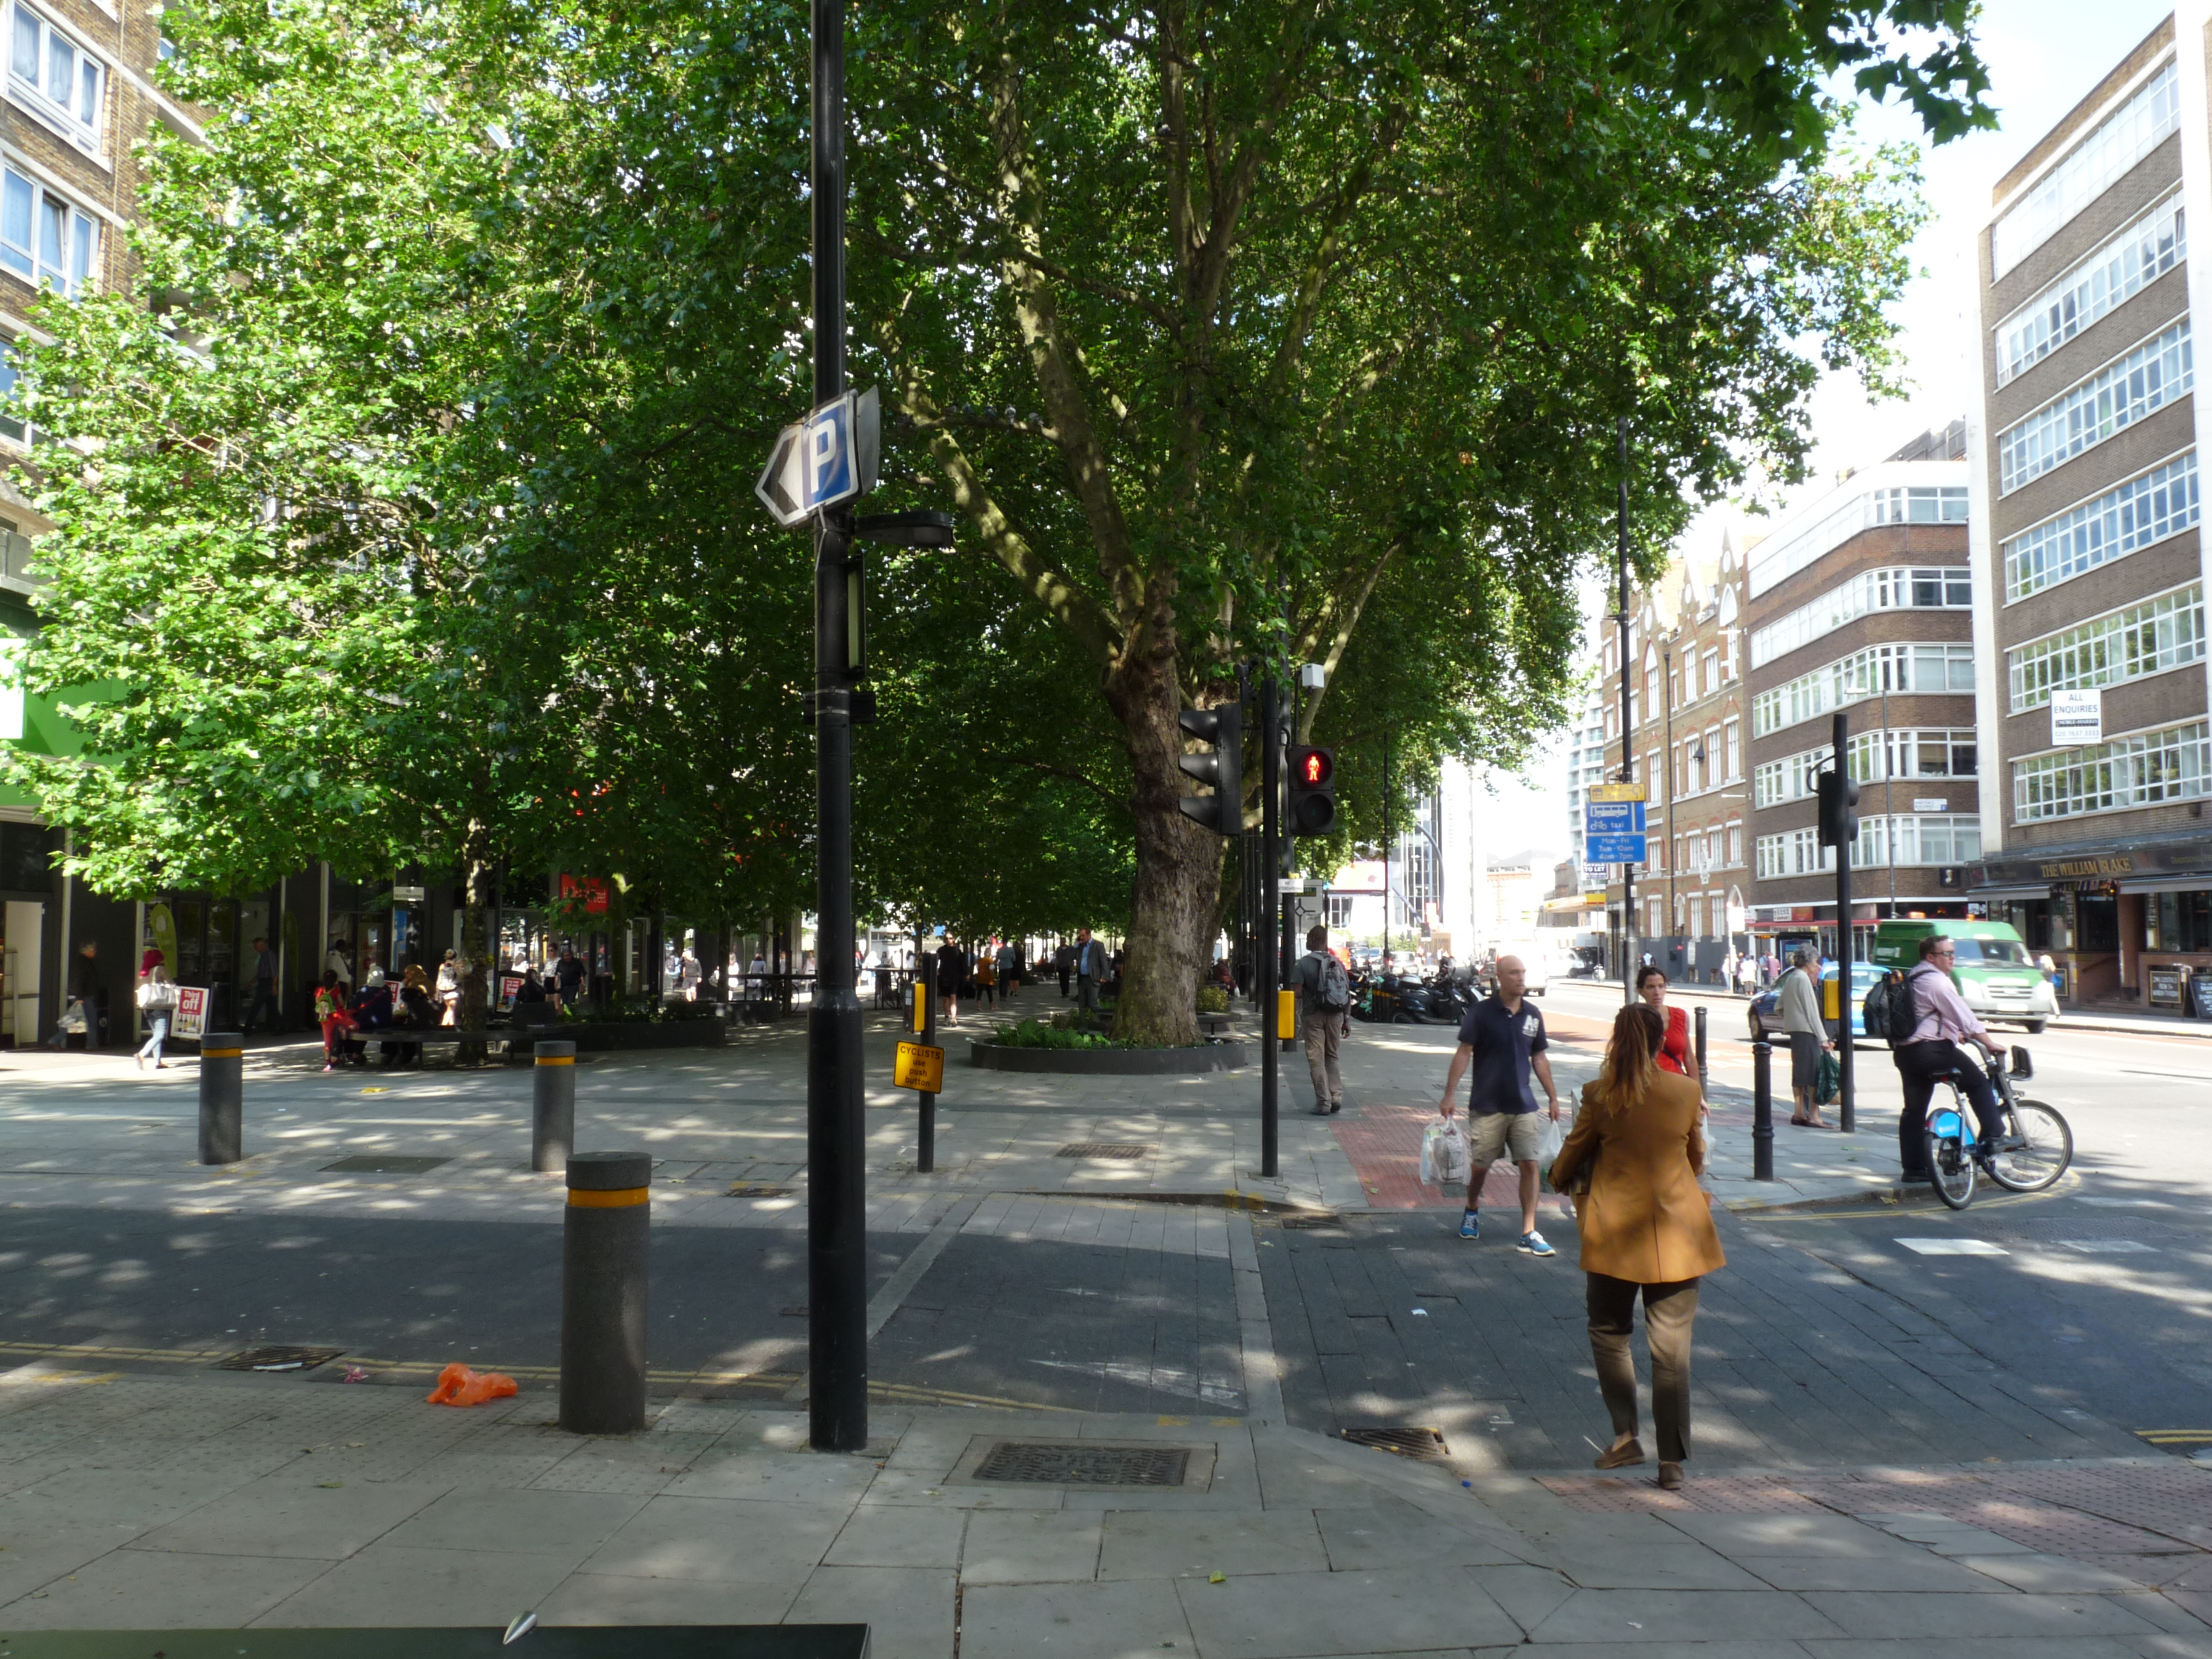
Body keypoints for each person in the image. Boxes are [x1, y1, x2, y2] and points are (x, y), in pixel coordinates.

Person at [1549, 1002, 1726, 1492]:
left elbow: (1571, 1155)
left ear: (1618, 1040)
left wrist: (1558, 1176)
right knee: (1671, 1349)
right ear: (1656, 1043)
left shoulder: (1599, 1094)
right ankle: (1672, 1462)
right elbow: (1695, 1156)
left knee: (1609, 1331)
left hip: (1614, 1235)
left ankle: (1626, 1435)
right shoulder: (1686, 1091)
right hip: (1679, 1235)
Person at [1437, 954, 1561, 1256]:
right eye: (1514, 973)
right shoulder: (1480, 1013)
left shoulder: (1532, 1014)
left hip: (1523, 1105)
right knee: (1481, 1166)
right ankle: (1472, 1208)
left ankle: (1529, 1231)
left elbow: (1539, 1057)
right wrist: (1449, 1094)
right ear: (1500, 978)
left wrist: (1554, 1096)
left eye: (1523, 973)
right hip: (1487, 1105)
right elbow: (1464, 1052)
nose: (1521, 978)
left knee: (1530, 1164)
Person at [1892, 933, 2008, 1178]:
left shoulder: (1914, 975)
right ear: (1931, 957)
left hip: (1907, 1053)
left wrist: (1957, 1034)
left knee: (1913, 1111)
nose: (1952, 957)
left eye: (1953, 953)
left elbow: (1929, 1014)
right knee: (1977, 1083)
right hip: (1932, 1051)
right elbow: (1962, 1014)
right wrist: (1987, 1041)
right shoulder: (1938, 982)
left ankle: (1914, 1170)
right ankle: (1996, 1135)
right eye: (1947, 953)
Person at [1287, 925, 1350, 1115]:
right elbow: (1346, 993)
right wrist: (1347, 1020)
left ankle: (1324, 1103)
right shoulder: (1337, 962)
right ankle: (1336, 1097)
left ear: (1314, 940)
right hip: (1336, 1015)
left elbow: (1296, 993)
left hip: (1313, 1015)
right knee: (1332, 1056)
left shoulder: (1302, 964)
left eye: (1308, 938)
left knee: (1316, 1059)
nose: (1306, 941)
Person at [1778, 947, 1832, 1128]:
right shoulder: (1803, 980)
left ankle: (1799, 1112)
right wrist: (1823, 1038)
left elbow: (1778, 1007)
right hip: (1808, 1032)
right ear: (1808, 963)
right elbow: (1812, 1013)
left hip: (1795, 1032)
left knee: (1800, 1074)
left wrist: (1793, 1018)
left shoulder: (1792, 978)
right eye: (1815, 962)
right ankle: (1814, 1116)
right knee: (1814, 1075)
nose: (1816, 966)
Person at [1635, 966, 1698, 1084]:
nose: (1657, 992)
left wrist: (1697, 1092)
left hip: (1677, 1087)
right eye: (1651, 987)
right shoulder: (1635, 1019)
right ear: (1641, 991)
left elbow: (1689, 1057)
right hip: (1646, 1087)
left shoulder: (1680, 1016)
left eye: (1661, 986)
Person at [135, 962, 178, 1070]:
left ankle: (158, 1062)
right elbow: (171, 984)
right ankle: (142, 1054)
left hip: (147, 1007)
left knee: (156, 1034)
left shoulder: (143, 972)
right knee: (160, 1034)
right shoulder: (160, 969)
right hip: (159, 1006)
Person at [314, 970, 357, 1070]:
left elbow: (318, 1004)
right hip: (338, 1016)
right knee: (354, 1025)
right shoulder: (336, 990)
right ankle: (344, 1029)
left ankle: (328, 1063)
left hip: (325, 1019)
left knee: (328, 1042)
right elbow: (342, 1004)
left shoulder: (319, 991)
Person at [243, 936, 280, 1034]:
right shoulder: (262, 956)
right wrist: (252, 982)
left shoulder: (269, 955)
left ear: (262, 945)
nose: (255, 948)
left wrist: (274, 986)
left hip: (267, 984)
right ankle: (283, 1028)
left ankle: (247, 1029)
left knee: (256, 1006)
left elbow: (274, 972)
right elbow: (261, 973)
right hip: (263, 982)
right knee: (273, 1008)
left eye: (256, 946)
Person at [1070, 928, 1107, 1021]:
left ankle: (1104, 1020)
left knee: (1093, 1003)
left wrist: (1105, 976)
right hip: (1082, 978)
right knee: (1082, 1004)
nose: (1081, 938)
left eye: (1083, 936)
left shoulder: (1098, 945)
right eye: (1080, 936)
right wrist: (1076, 945)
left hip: (1093, 978)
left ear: (1089, 935)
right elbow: (1071, 957)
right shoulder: (1080, 946)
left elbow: (1103, 961)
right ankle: (1083, 1026)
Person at [935, 937, 968, 1028]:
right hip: (944, 976)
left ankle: (953, 1018)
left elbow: (962, 963)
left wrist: (966, 974)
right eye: (946, 938)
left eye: (950, 938)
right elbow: (936, 960)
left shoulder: (957, 951)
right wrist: (937, 971)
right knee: (945, 999)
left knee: (953, 997)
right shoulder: (941, 950)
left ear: (954, 939)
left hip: (954, 977)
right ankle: (946, 1017)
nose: (948, 940)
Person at [435, 949, 461, 1027]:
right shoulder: (444, 966)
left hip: (449, 989)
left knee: (450, 1009)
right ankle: (447, 1026)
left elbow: (460, 976)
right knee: (450, 1010)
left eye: (450, 953)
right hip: (447, 989)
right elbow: (439, 979)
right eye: (447, 952)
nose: (448, 954)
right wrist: (437, 992)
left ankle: (448, 1026)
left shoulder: (454, 965)